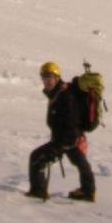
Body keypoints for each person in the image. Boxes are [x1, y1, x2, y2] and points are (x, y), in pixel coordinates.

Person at [26, 61, 96, 202]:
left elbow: (71, 120)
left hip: (66, 140)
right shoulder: (58, 93)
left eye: (49, 76)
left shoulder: (65, 95)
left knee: (36, 159)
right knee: (81, 163)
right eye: (43, 76)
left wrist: (62, 144)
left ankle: (38, 192)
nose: (46, 80)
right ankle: (88, 192)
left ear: (57, 77)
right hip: (72, 138)